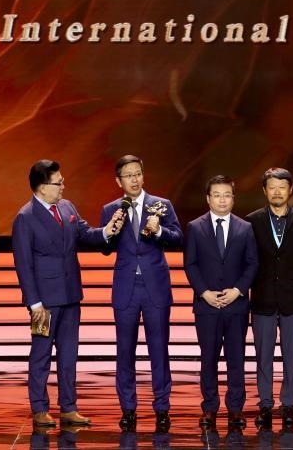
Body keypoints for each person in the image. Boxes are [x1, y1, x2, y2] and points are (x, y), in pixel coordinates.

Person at [12, 159, 124, 429]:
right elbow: (23, 265)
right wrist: (34, 303)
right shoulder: (25, 217)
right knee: (41, 355)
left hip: (71, 294)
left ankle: (69, 407)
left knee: (69, 354)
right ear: (41, 187)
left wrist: (107, 231)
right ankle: (40, 408)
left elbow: (84, 234)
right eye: (58, 183)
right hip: (44, 302)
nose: (63, 186)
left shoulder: (67, 207)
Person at [99, 155, 182, 432]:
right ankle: (128, 409)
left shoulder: (162, 205)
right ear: (118, 181)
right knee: (124, 351)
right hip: (126, 288)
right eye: (128, 175)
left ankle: (162, 408)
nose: (134, 179)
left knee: (159, 350)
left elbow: (178, 238)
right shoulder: (111, 209)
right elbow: (105, 249)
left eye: (137, 174)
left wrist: (159, 232)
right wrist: (110, 231)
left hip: (155, 287)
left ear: (143, 176)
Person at [183, 175, 258, 431]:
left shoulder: (245, 228)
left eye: (227, 195)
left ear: (233, 199)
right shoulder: (195, 227)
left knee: (236, 358)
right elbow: (190, 264)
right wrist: (204, 293)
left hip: (236, 305)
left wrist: (238, 291)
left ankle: (235, 408)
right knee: (209, 359)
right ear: (208, 199)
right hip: (206, 306)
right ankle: (210, 408)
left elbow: (252, 264)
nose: (222, 200)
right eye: (217, 195)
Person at [246, 168, 293, 429]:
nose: (277, 192)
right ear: (264, 190)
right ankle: (265, 404)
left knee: (291, 354)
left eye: (282, 187)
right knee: (263, 355)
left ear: (290, 190)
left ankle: (289, 404)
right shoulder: (252, 221)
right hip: (262, 297)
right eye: (272, 187)